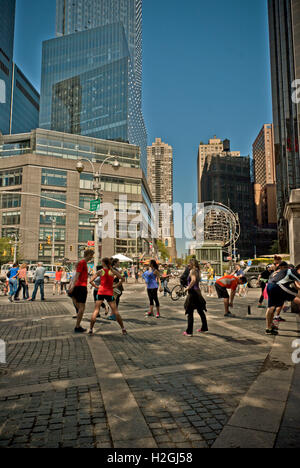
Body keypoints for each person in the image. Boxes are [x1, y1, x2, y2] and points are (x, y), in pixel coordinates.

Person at [89, 257, 126, 336]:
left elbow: (90, 281)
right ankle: (123, 329)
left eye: (101, 262)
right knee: (115, 311)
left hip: (101, 292)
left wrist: (97, 287)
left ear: (103, 263)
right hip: (109, 292)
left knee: (96, 310)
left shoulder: (100, 271)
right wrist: (115, 286)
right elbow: (123, 279)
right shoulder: (112, 271)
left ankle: (91, 329)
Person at [265, 264, 300, 335]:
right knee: (294, 295)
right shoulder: (295, 273)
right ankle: (269, 327)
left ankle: (269, 327)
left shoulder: (287, 272)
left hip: (270, 285)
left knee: (271, 307)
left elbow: (297, 286)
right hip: (278, 286)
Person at [68, 249, 94, 333]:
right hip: (80, 287)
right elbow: (77, 275)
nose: (92, 257)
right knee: (82, 308)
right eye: (91, 255)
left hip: (79, 286)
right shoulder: (82, 262)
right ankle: (77, 326)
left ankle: (78, 324)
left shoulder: (83, 263)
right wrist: (72, 286)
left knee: (80, 308)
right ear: (88, 254)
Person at [183, 259, 208, 337]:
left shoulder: (192, 271)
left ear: (192, 264)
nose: (188, 265)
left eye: (189, 263)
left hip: (193, 293)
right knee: (200, 310)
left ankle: (189, 331)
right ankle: (204, 328)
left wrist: (187, 288)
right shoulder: (197, 271)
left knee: (190, 312)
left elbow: (193, 280)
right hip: (197, 292)